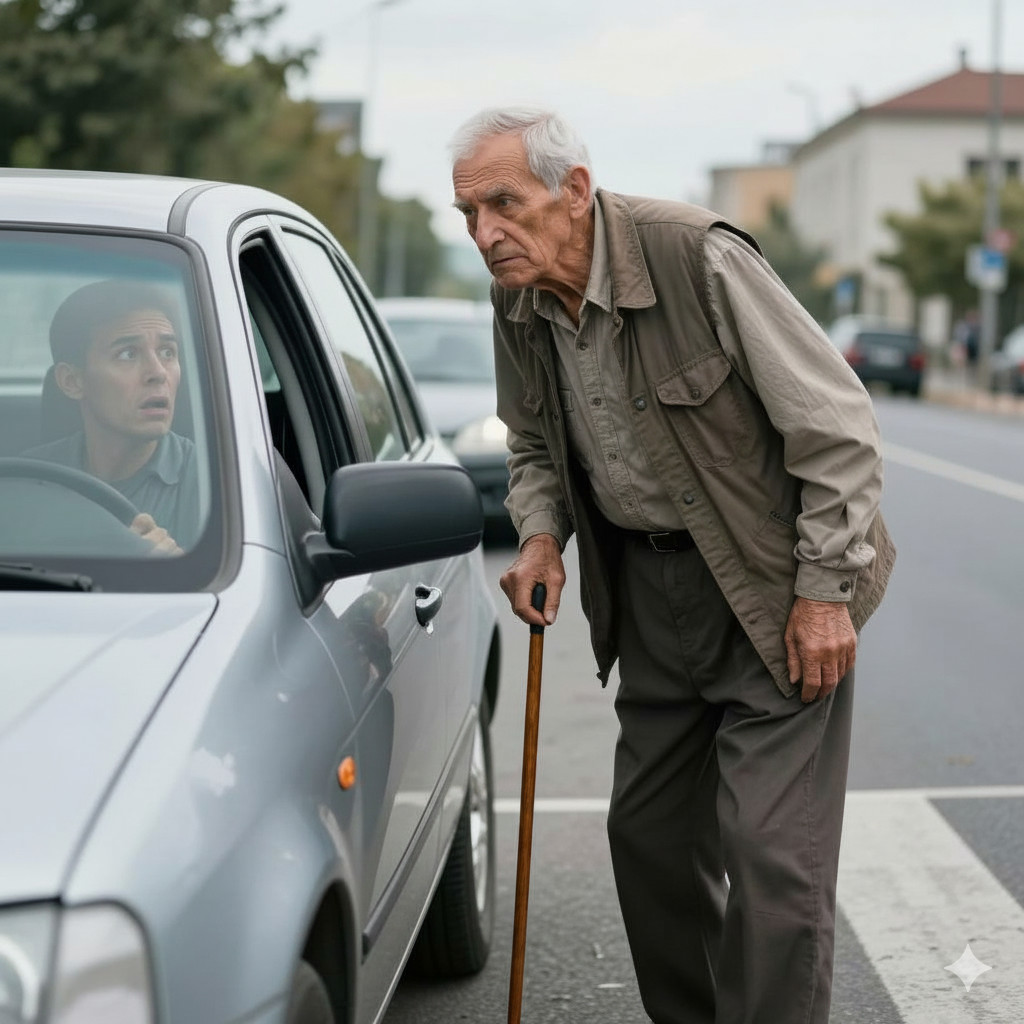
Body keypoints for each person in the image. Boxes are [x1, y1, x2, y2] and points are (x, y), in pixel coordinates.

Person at [450, 107, 895, 1024]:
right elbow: (531, 441)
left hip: (775, 587)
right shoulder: (518, 299)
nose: (485, 235)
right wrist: (539, 537)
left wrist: (823, 595)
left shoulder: (697, 257)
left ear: (573, 190)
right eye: (467, 214)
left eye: (503, 204)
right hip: (649, 595)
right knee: (648, 839)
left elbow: (839, 429)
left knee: (772, 858)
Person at [24, 279, 200, 554]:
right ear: (72, 381)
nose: (158, 372)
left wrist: (175, 569)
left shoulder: (216, 481)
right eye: (128, 354)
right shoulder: (26, 482)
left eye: (167, 352)